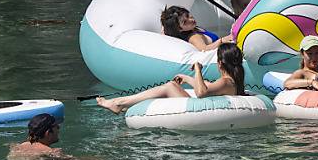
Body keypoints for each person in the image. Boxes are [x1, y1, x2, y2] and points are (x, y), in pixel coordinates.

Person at [97, 43, 245, 114]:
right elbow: (206, 88)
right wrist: (187, 78)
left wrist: (198, 69)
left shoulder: (226, 81)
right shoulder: (232, 81)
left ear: (220, 63)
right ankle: (122, 103)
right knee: (173, 86)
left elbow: (201, 93)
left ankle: (120, 102)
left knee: (169, 86)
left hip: (198, 112)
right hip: (206, 109)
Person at [7, 113, 75, 160]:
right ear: (48, 133)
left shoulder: (16, 146)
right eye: (57, 126)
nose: (59, 128)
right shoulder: (51, 152)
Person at [161, 5, 226, 51]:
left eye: (187, 15)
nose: (191, 20)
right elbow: (204, 49)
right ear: (179, 29)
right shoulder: (193, 37)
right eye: (185, 22)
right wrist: (222, 40)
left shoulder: (193, 28)